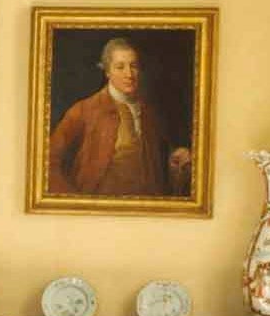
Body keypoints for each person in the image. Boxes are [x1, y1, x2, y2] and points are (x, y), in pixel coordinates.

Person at [47, 37, 191, 198]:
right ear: (107, 71)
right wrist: (74, 203)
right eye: (120, 67)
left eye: (133, 66)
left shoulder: (149, 111)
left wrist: (175, 159)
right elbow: (47, 161)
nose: (129, 74)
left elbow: (155, 164)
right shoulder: (84, 110)